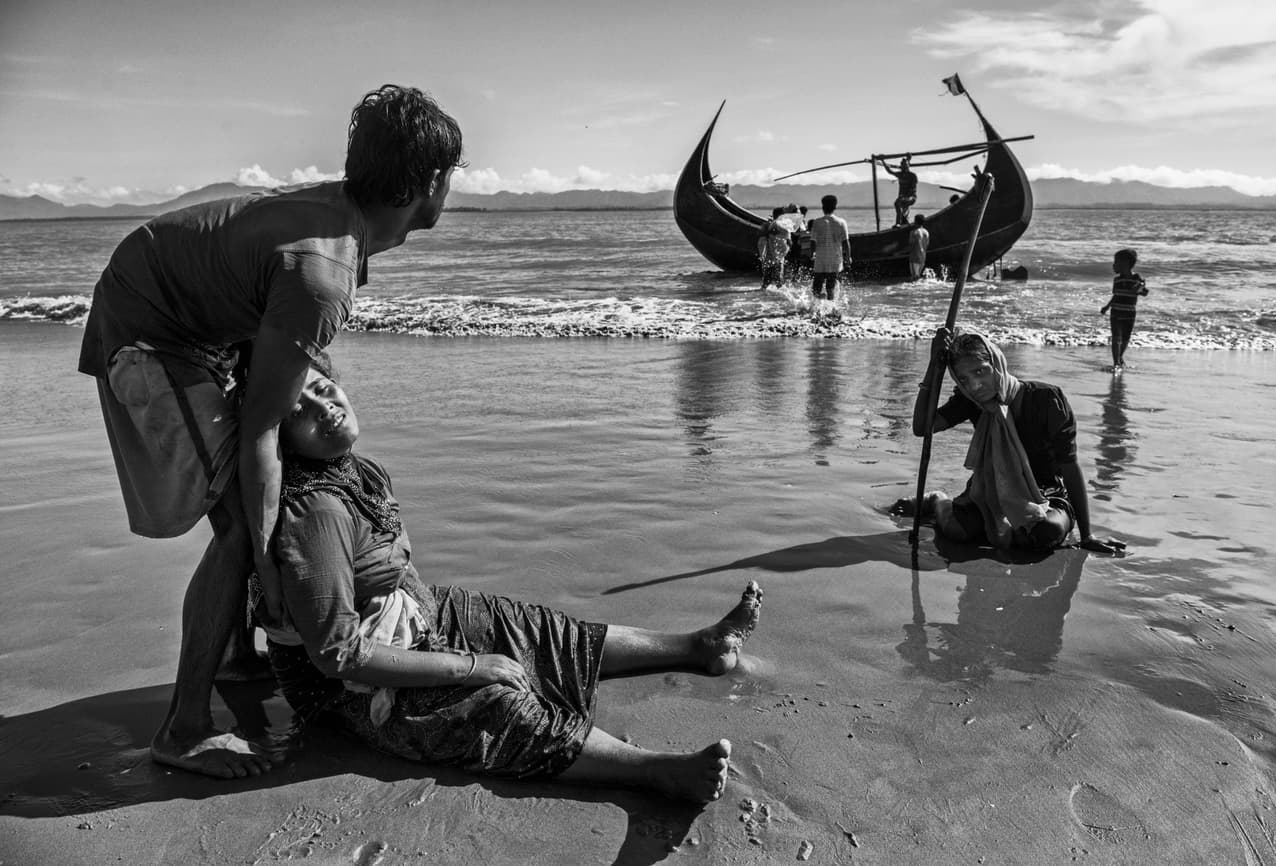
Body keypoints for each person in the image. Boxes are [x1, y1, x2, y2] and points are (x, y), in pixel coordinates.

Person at [76, 84, 467, 779]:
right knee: (236, 525)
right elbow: (260, 433)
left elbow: (273, 344)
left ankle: (234, 654)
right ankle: (184, 728)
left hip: (191, 314)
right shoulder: (324, 270)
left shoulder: (336, 223)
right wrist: (268, 565)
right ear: (431, 182)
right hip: (152, 331)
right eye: (452, 175)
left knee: (249, 504)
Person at [259, 358, 761, 802]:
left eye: (324, 389)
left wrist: (446, 632)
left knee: (535, 629)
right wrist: (467, 664)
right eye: (300, 409)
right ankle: (656, 771)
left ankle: (698, 645)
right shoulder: (315, 513)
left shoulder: (356, 470)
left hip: (411, 612)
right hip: (348, 687)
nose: (324, 407)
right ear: (282, 437)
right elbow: (337, 655)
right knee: (495, 707)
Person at [902, 328, 1126, 555]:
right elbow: (923, 428)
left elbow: (1069, 466)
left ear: (997, 363)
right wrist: (933, 366)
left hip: (1047, 494)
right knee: (957, 532)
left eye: (980, 371)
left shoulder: (1047, 399)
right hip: (992, 490)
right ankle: (938, 501)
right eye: (963, 379)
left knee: (1045, 533)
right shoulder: (969, 401)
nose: (974, 386)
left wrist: (1087, 536)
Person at [1099, 248, 1149, 370]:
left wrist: (1140, 287)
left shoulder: (1137, 278)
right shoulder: (1117, 280)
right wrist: (1107, 306)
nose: (1113, 265)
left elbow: (1144, 293)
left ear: (1125, 263)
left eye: (1116, 262)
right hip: (1116, 311)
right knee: (1116, 337)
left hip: (1130, 312)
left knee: (1125, 337)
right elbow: (1115, 295)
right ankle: (1116, 362)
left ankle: (1120, 357)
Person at [808, 194, 851, 301]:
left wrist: (811, 254)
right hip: (835, 260)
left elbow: (813, 241)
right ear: (835, 207)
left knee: (816, 289)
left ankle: (820, 304)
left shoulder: (817, 222)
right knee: (830, 287)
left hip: (820, 260)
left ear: (822, 207)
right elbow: (846, 243)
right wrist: (848, 258)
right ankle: (831, 308)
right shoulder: (841, 222)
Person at [757, 206, 791, 289]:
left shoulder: (771, 225)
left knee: (767, 277)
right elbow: (789, 241)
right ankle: (781, 293)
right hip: (777, 254)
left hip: (772, 254)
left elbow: (762, 235)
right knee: (778, 277)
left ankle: (764, 291)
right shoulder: (781, 225)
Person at [881, 156, 918, 226]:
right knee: (902, 208)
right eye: (903, 166)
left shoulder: (912, 176)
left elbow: (913, 189)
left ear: (908, 166)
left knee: (897, 203)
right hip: (902, 198)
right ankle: (904, 222)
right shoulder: (900, 174)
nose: (905, 167)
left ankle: (898, 223)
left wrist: (905, 196)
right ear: (901, 167)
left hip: (911, 197)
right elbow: (890, 171)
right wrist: (883, 161)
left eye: (906, 166)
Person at [907, 214, 930, 280]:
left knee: (914, 276)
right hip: (923, 256)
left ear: (916, 222)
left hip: (915, 256)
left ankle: (914, 290)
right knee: (918, 275)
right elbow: (927, 244)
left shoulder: (913, 232)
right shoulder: (926, 232)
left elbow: (911, 244)